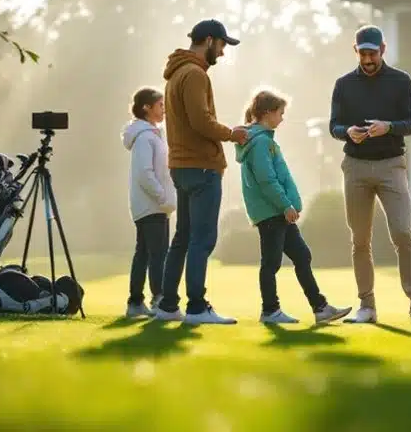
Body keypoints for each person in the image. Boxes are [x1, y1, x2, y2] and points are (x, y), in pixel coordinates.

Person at [328, 24, 411, 325]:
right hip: (356, 166)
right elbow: (334, 126)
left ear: (383, 50)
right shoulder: (344, 84)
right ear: (356, 52)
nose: (368, 59)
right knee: (360, 239)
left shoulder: (401, 81)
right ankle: (367, 306)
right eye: (363, 53)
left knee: (402, 232)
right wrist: (347, 132)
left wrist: (389, 127)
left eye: (373, 53)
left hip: (391, 164)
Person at [153, 18, 248, 325]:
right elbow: (201, 121)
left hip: (182, 166)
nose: (221, 53)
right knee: (202, 239)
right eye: (221, 46)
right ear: (209, 40)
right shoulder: (194, 74)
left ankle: (168, 305)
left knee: (182, 237)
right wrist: (233, 133)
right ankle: (196, 307)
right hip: (201, 166)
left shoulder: (177, 73)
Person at [234, 89, 352, 325]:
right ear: (267, 113)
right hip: (271, 212)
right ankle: (270, 310)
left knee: (302, 255)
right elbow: (267, 180)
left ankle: (320, 308)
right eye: (280, 112)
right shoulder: (260, 144)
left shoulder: (265, 141)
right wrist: (286, 205)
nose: (282, 118)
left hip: (279, 213)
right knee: (271, 262)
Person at [121, 87, 177, 318]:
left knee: (144, 252)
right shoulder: (145, 137)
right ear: (146, 107)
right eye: (160, 105)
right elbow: (145, 174)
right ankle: (160, 300)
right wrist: (163, 197)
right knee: (158, 254)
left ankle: (135, 304)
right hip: (152, 205)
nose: (164, 109)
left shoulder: (152, 134)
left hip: (151, 205)